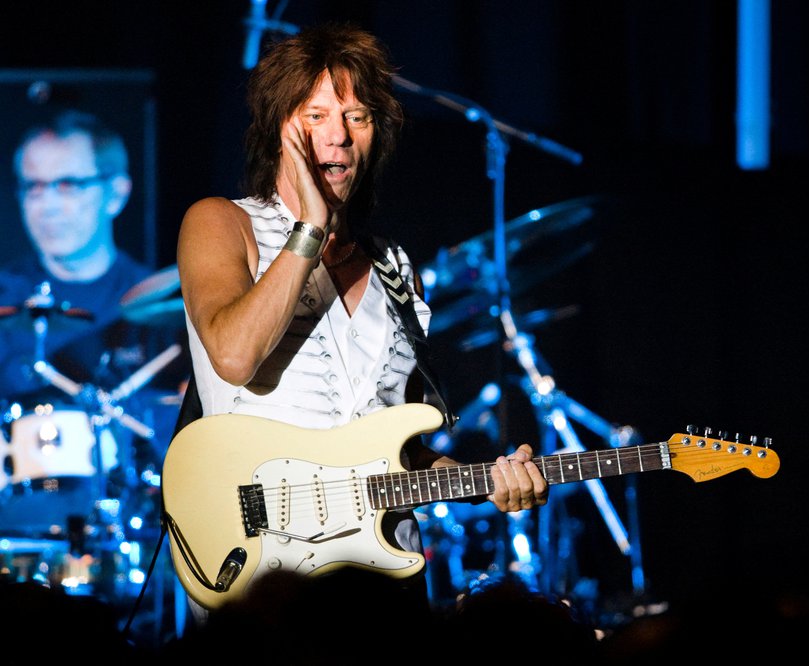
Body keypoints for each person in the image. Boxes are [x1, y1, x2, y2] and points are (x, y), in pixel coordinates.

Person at [174, 20, 550, 624]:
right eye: (316, 116)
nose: (339, 137)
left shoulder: (395, 268)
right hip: (262, 568)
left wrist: (491, 479)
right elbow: (233, 356)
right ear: (280, 129)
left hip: (381, 575)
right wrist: (309, 231)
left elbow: (399, 455)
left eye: (358, 117)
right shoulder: (224, 224)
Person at [0, 110, 183, 552]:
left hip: (132, 529)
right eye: (33, 187)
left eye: (68, 184)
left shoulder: (161, 309)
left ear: (115, 194)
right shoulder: (6, 299)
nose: (46, 204)